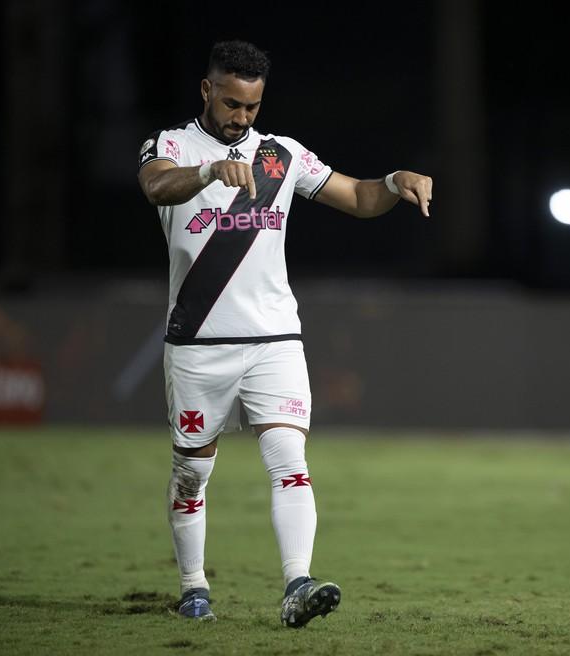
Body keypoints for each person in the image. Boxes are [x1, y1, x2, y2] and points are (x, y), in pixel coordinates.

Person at [136, 40, 432, 627]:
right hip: (198, 343)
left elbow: (357, 195)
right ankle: (194, 586)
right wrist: (207, 171)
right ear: (207, 90)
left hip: (275, 340)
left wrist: (396, 182)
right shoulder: (169, 145)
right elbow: (156, 187)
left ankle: (298, 582)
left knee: (289, 459)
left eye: (251, 107)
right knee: (193, 471)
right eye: (231, 104)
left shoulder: (281, 155)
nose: (242, 118)